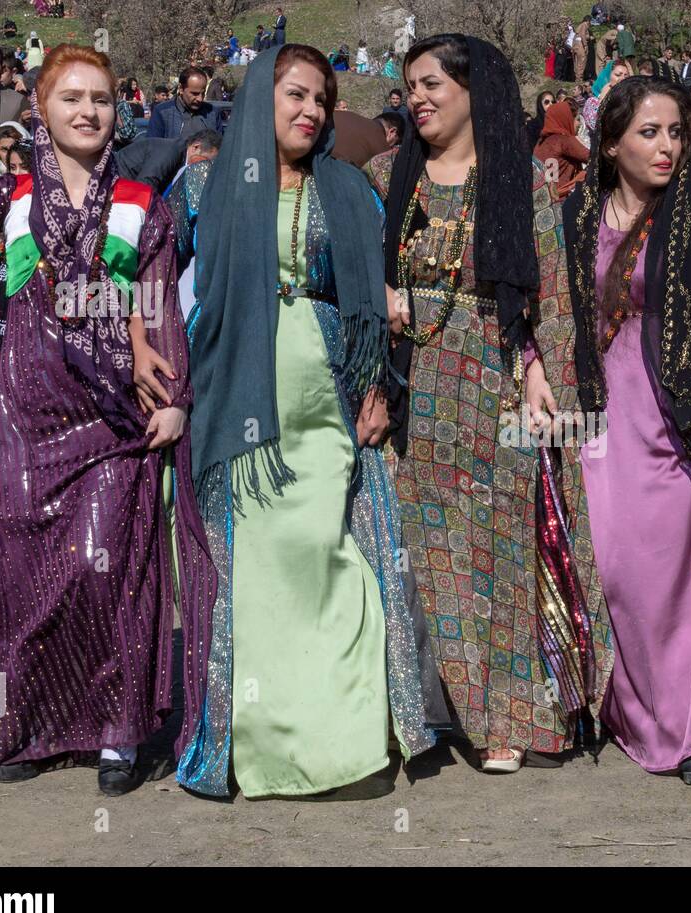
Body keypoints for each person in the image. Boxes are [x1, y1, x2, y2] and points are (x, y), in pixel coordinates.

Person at [0, 43, 218, 795]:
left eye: (101, 99)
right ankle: (32, 728)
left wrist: (173, 399)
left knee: (107, 569)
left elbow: (159, 301)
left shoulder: (147, 205)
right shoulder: (8, 198)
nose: (88, 111)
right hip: (26, 414)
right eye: (71, 97)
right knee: (29, 573)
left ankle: (118, 732)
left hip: (115, 416)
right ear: (38, 110)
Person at [166, 43, 441, 798]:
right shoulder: (203, 186)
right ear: (262, 96)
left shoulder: (349, 191)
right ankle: (255, 747)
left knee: (327, 554)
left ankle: (342, 744)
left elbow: (378, 301)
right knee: (252, 569)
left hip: (327, 399)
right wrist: (143, 351)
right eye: (295, 94)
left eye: (321, 99)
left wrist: (381, 387)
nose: (311, 111)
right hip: (233, 403)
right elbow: (153, 277)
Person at [370, 34, 610, 772]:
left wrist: (546, 378)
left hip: (498, 380)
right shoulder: (387, 177)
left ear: (475, 92)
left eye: (434, 83)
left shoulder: (520, 182)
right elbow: (351, 266)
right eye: (411, 85)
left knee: (505, 551)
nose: (419, 97)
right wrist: (384, 295)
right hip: (418, 388)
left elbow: (553, 297)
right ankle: (469, 717)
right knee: (435, 556)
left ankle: (517, 712)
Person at [558, 74, 691, 783]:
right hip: (594, 412)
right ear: (610, 144)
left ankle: (686, 727)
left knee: (670, 571)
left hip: (670, 412)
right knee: (607, 568)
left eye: (676, 132)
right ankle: (624, 712)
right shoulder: (575, 216)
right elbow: (552, 309)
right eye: (649, 132)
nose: (668, 146)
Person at [147, 67, 223, 139]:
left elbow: (220, 146)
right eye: (194, 93)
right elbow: (153, 147)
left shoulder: (212, 113)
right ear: (181, 89)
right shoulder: (162, 112)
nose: (200, 99)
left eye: (202, 94)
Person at [532, 98, 587, 200]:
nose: (579, 124)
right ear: (566, 119)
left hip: (545, 200)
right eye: (576, 119)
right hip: (562, 200)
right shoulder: (563, 140)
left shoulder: (541, 142)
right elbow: (593, 157)